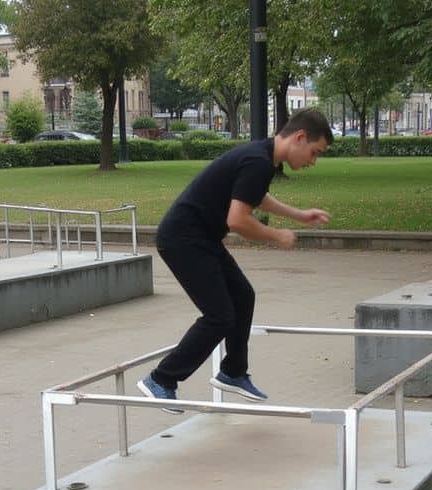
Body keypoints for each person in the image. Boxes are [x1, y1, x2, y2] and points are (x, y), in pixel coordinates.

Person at [138, 108, 333, 412]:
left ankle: (233, 372)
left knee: (243, 296)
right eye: (314, 152)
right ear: (299, 137)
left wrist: (299, 214)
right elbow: (239, 220)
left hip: (200, 237)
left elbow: (254, 195)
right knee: (219, 317)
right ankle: (161, 380)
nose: (313, 161)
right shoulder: (258, 161)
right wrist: (276, 235)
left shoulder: (263, 157)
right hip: (184, 240)